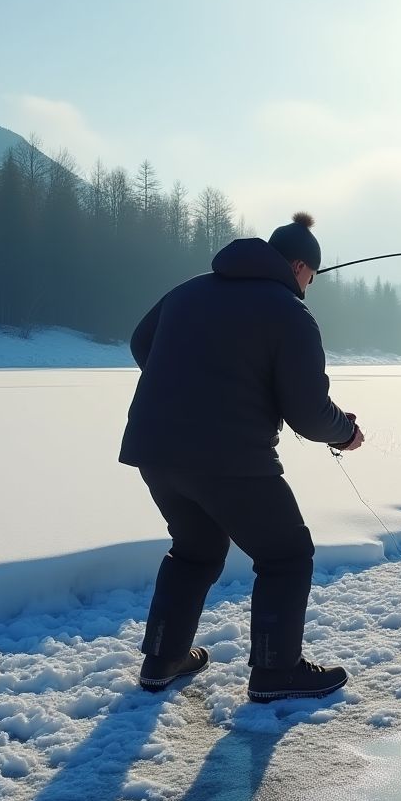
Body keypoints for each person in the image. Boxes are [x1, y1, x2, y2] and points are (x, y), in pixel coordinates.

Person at [119, 212, 364, 703]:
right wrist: (346, 432)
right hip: (231, 459)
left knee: (195, 549)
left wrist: (189, 382)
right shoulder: (289, 313)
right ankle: (277, 672)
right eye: (311, 278)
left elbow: (141, 342)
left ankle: (163, 660)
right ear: (298, 265)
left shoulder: (188, 291)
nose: (308, 288)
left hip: (156, 450)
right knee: (286, 555)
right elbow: (309, 413)